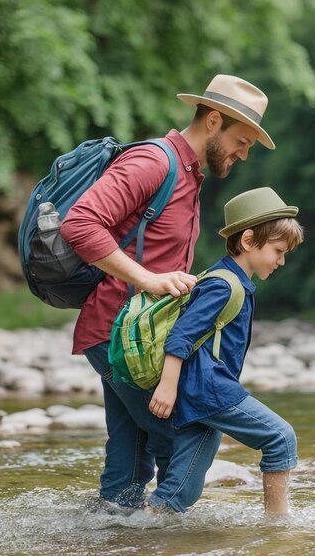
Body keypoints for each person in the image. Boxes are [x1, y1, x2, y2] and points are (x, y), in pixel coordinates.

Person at [60, 74, 276, 508]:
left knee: (130, 463)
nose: (243, 153)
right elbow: (79, 223)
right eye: (242, 140)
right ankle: (165, 538)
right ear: (213, 121)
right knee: (193, 432)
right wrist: (148, 279)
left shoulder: (190, 177)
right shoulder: (154, 163)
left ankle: (111, 549)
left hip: (136, 337)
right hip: (120, 333)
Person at [143, 187, 304, 514]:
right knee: (280, 438)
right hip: (209, 389)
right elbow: (181, 335)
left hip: (202, 395)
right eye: (278, 251)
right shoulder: (223, 284)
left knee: (182, 492)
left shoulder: (234, 281)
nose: (281, 261)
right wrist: (168, 386)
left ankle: (143, 531)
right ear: (248, 241)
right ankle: (278, 524)